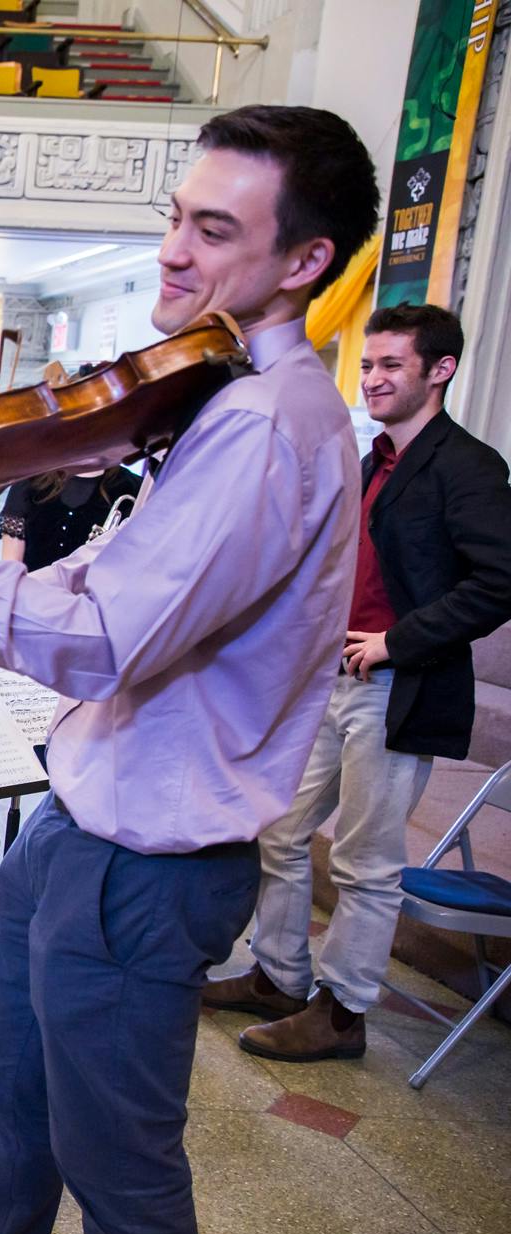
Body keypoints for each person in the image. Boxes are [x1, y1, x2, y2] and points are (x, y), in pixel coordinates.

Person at [0, 106, 381, 1234]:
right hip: (81, 815)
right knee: (13, 1082)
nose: (173, 252)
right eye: (173, 219)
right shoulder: (214, 393)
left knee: (122, 1163)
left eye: (212, 228)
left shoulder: (263, 424)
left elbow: (107, 637)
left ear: (304, 262)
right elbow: (106, 582)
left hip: (149, 853)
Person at [207, 300, 511, 1061]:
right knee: (278, 828)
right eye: (367, 365)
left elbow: (500, 580)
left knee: (364, 862)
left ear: (440, 370)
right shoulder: (372, 459)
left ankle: (342, 1012)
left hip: (399, 688)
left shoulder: (469, 465)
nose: (372, 378)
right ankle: (278, 975)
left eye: (390, 366)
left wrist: (396, 642)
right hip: (330, 680)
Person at [0, 464, 142, 867]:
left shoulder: (130, 487)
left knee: (59, 731)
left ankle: (49, 827)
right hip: (30, 613)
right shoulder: (31, 480)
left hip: (85, 628)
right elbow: (12, 566)